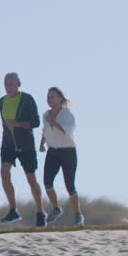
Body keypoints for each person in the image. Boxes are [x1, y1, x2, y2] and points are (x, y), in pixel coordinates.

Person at [0, 72, 45, 226]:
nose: (8, 87)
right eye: (6, 84)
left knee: (31, 179)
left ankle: (40, 212)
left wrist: (17, 124)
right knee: (4, 173)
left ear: (18, 84)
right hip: (8, 144)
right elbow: (5, 124)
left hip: (25, 144)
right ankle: (13, 210)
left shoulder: (27, 99)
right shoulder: (1, 102)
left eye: (11, 83)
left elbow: (36, 122)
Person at [39, 86, 83, 225]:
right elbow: (45, 130)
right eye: (48, 97)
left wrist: (53, 122)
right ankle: (56, 208)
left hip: (68, 151)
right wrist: (42, 143)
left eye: (52, 97)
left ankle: (78, 214)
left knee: (70, 185)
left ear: (60, 99)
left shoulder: (66, 114)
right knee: (47, 182)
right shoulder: (45, 115)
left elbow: (66, 130)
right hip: (53, 151)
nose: (49, 99)